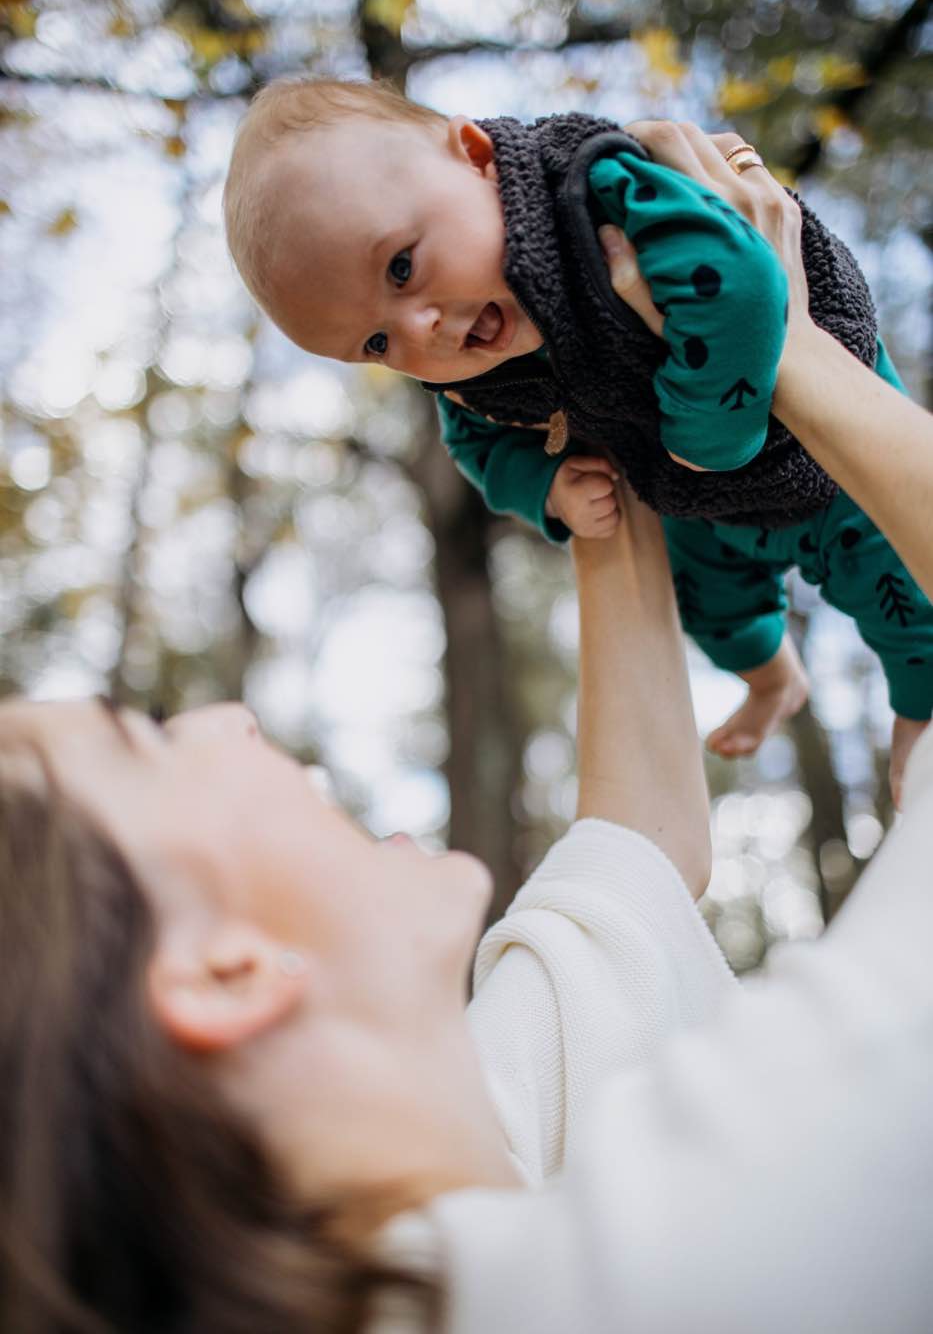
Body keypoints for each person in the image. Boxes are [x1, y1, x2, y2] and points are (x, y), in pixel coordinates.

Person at [0, 124, 930, 1334]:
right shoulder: (694, 1242)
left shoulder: (462, 1160)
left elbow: (640, 845)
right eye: (151, 742)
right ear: (224, 970)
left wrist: (604, 414)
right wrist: (792, 346)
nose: (225, 714)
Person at [221, 77, 932, 803]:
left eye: (402, 266)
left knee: (899, 595)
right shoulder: (475, 381)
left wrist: (710, 435)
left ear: (473, 156)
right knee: (709, 606)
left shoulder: (594, 195)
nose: (418, 329)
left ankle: (917, 712)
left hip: (818, 454)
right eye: (375, 342)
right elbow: (480, 451)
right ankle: (769, 675)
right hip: (699, 495)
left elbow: (739, 283)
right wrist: (548, 491)